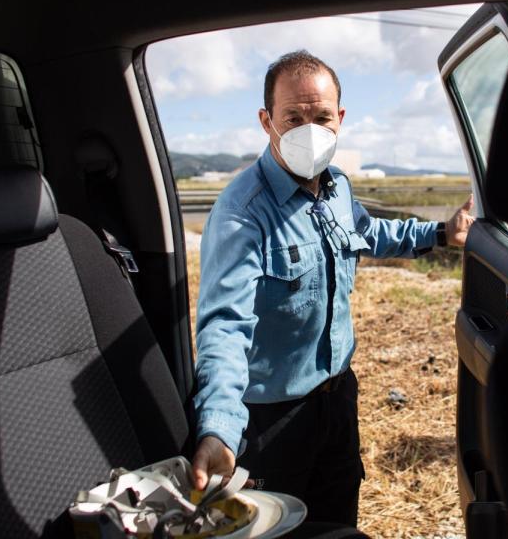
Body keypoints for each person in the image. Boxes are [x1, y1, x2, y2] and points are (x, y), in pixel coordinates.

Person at [189, 50, 474, 527]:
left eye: (321, 117)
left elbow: (369, 233)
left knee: (339, 514)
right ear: (266, 121)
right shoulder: (243, 213)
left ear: (340, 118)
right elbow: (225, 327)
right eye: (293, 118)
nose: (310, 130)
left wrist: (442, 233)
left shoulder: (337, 187)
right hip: (270, 419)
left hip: (337, 396)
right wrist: (218, 428)